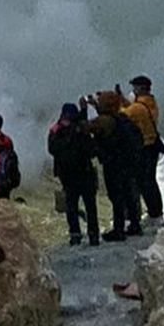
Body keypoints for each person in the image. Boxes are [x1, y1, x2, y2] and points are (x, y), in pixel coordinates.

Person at [90, 91, 143, 241]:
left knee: (116, 197)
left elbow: (86, 127)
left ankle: (118, 229)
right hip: (126, 162)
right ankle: (135, 224)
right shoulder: (122, 118)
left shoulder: (105, 121)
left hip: (113, 164)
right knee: (128, 194)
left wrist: (82, 110)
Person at [48, 104, 100, 246]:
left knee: (71, 206)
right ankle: (93, 235)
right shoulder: (81, 130)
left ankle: (75, 235)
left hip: (67, 175)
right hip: (84, 172)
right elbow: (92, 150)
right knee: (90, 206)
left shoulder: (56, 129)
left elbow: (52, 149)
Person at [118, 76, 164, 222]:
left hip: (144, 147)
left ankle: (153, 213)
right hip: (152, 145)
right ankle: (156, 211)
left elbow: (122, 115)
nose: (133, 90)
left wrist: (110, 103)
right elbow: (132, 109)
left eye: (135, 87)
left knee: (145, 182)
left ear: (141, 88)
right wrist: (122, 99)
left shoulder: (138, 108)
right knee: (150, 180)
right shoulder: (149, 103)